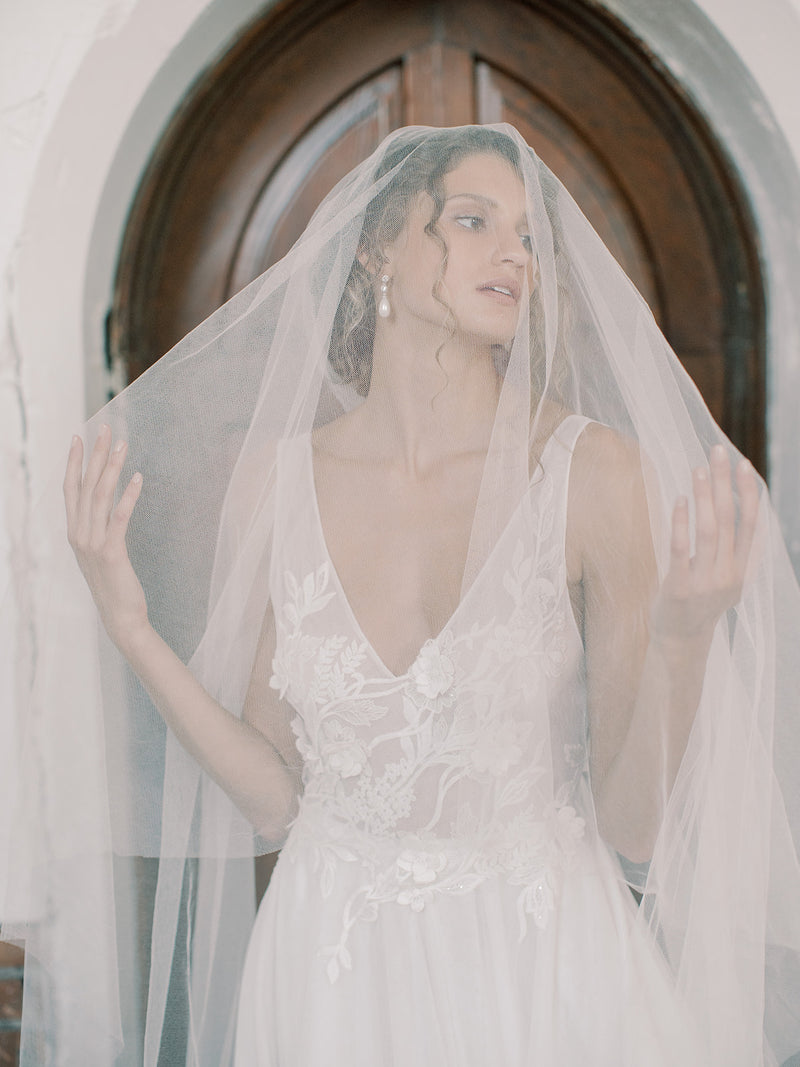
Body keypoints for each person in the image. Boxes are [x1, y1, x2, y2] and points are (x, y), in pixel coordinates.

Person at [4, 125, 800, 1064]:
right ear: (380, 243)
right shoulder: (277, 482)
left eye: (529, 238)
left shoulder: (590, 474)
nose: (514, 253)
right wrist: (131, 626)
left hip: (542, 974)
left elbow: (632, 823)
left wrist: (684, 637)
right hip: (332, 975)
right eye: (472, 220)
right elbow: (277, 799)